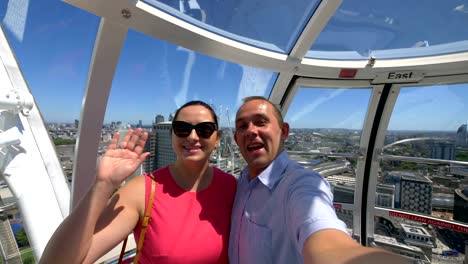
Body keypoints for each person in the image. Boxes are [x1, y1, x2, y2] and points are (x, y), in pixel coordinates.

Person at [40, 100, 237, 264]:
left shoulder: (232, 187)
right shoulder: (143, 191)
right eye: (182, 129)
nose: (193, 137)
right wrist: (103, 185)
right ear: (173, 135)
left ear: (217, 138)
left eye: (205, 129)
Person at [229, 96, 408, 264]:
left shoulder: (301, 183)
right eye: (242, 126)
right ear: (237, 139)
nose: (251, 131)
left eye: (261, 122)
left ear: (283, 131)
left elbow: (322, 232)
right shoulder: (240, 182)